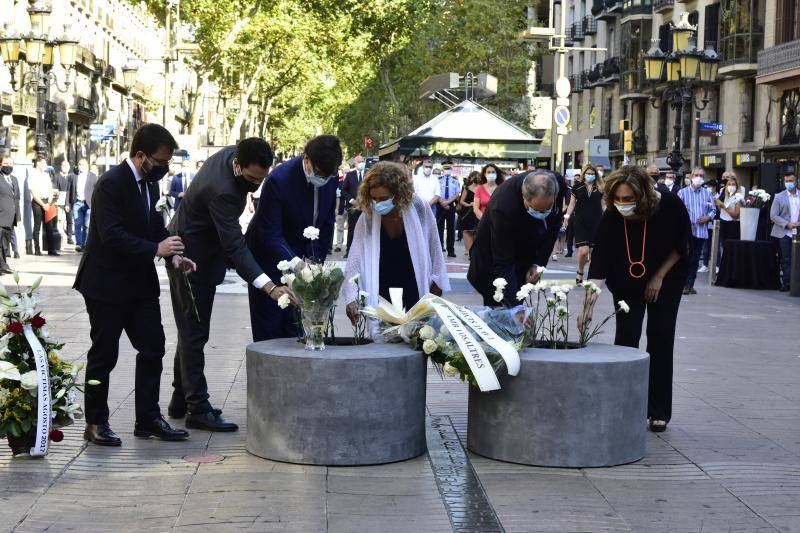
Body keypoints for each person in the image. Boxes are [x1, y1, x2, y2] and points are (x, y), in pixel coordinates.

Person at [74, 123, 193, 446]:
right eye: (160, 161)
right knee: (104, 354)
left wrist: (173, 255)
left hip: (139, 284)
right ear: (140, 156)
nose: (164, 168)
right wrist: (156, 249)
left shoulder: (149, 185)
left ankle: (148, 418)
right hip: (106, 284)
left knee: (153, 346)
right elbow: (111, 235)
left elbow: (153, 225)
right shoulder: (111, 183)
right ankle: (96, 421)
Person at [167, 138, 291, 431]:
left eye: (260, 180)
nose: (255, 186)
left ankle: (180, 399)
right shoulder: (222, 190)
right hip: (189, 259)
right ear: (237, 164)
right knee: (194, 333)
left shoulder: (232, 156)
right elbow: (234, 245)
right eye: (250, 179)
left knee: (190, 330)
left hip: (201, 253)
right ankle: (197, 407)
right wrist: (270, 287)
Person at [580, 165, 690, 433]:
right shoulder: (612, 217)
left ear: (643, 196)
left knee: (660, 337)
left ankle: (658, 410)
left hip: (666, 277)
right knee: (626, 339)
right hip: (626, 280)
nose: (622, 205)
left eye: (629, 199)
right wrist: (587, 309)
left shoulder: (670, 205)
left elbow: (681, 246)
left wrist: (658, 277)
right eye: (617, 199)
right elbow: (599, 267)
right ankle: (625, 403)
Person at [246, 134, 342, 341]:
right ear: (306, 158)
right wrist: (296, 262)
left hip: (302, 259)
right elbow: (269, 232)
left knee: (297, 326)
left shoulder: (331, 177)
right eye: (319, 173)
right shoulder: (279, 180)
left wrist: (317, 263)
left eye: (328, 176)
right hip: (271, 257)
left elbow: (326, 223)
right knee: (271, 326)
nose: (323, 179)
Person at [344, 162, 449, 321]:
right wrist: (351, 296)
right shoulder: (368, 217)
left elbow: (434, 245)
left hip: (414, 281)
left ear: (398, 194)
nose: (378, 204)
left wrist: (438, 282)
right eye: (374, 198)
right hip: (381, 284)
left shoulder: (419, 207)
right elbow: (355, 256)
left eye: (384, 198)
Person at [468, 170, 562, 306]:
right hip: (491, 263)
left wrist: (538, 263)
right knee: (500, 310)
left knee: (518, 304)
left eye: (547, 209)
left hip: (525, 252)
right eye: (537, 210)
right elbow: (503, 261)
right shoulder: (502, 207)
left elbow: (553, 229)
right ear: (524, 198)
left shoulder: (556, 184)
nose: (543, 214)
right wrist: (514, 307)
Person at [563, 164, 604, 283]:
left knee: (593, 252)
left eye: (592, 174)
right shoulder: (577, 187)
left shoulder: (600, 187)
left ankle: (591, 274)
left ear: (595, 175)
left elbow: (604, 205)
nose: (590, 175)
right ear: (584, 174)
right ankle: (580, 270)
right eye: (588, 173)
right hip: (580, 221)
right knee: (583, 251)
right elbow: (571, 204)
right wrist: (566, 216)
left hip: (597, 221)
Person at [677, 167, 715, 294]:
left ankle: (690, 283)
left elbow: (713, 209)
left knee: (695, 258)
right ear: (691, 176)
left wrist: (708, 217)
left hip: (701, 231)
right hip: (687, 231)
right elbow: (677, 210)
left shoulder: (707, 193)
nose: (699, 177)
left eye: (701, 175)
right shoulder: (682, 193)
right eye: (696, 175)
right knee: (686, 257)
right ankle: (683, 283)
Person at [770, 171, 799, 292]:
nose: (789, 183)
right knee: (786, 259)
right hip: (784, 232)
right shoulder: (779, 196)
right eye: (786, 181)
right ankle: (787, 283)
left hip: (798, 231)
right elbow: (773, 215)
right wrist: (787, 224)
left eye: (791, 181)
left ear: (796, 181)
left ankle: (797, 283)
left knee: (797, 258)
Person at [28, 155, 57, 256]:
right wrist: (42, 204)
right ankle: (37, 249)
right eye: (44, 163)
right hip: (37, 202)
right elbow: (33, 193)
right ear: (38, 163)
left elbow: (50, 190)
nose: (45, 165)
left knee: (49, 227)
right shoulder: (32, 175)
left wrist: (48, 203)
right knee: (37, 227)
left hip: (47, 202)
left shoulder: (46, 175)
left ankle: (51, 250)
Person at [69, 158, 98, 252]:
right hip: (77, 203)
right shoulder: (73, 176)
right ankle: (79, 244)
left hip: (88, 204)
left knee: (86, 225)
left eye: (83, 164)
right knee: (77, 224)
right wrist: (67, 203)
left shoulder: (93, 176)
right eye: (80, 164)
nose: (81, 166)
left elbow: (97, 191)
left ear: (87, 165)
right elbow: (70, 191)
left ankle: (85, 244)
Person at [341, 155, 366, 256]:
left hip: (366, 207)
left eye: (362, 161)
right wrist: (351, 200)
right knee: (352, 229)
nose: (360, 163)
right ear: (355, 163)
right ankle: (349, 251)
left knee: (366, 229)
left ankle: (364, 252)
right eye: (358, 162)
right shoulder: (350, 175)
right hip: (353, 208)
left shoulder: (369, 174)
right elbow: (343, 191)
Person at [437, 161, 461, 258]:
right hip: (440, 205)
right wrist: (442, 202)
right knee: (439, 228)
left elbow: (457, 194)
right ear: (443, 169)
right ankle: (439, 248)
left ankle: (451, 250)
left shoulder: (455, 181)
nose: (447, 170)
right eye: (446, 168)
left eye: (449, 168)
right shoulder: (438, 180)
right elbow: (436, 192)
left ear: (451, 169)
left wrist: (447, 202)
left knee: (451, 229)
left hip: (451, 205)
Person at [0, 155, 21, 262]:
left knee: (5, 244)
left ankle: (3, 265)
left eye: (10, 164)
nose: (8, 166)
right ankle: (2, 266)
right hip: (1, 216)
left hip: (11, 218)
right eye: (6, 163)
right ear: (1, 164)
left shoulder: (14, 179)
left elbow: (17, 198)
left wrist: (17, 215)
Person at [714, 171, 743, 245]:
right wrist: (719, 205)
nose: (731, 186)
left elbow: (736, 215)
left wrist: (723, 206)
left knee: (731, 248)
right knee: (722, 247)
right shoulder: (724, 195)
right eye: (729, 184)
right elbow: (721, 211)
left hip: (733, 226)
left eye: (733, 184)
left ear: (737, 186)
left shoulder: (738, 197)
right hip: (723, 223)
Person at [457, 171, 480, 255]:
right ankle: (467, 249)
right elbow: (461, 201)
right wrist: (469, 204)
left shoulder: (481, 188)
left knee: (475, 230)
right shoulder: (467, 188)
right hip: (467, 212)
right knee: (467, 230)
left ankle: (473, 248)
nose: (478, 178)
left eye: (479, 176)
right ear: (472, 178)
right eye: (476, 177)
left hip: (477, 211)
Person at [55, 159, 74, 245]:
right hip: (59, 202)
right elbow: (54, 189)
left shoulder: (71, 177)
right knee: (60, 219)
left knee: (69, 220)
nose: (65, 168)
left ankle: (69, 237)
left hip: (69, 201)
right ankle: (61, 236)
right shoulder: (57, 176)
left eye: (67, 166)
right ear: (61, 167)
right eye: (63, 166)